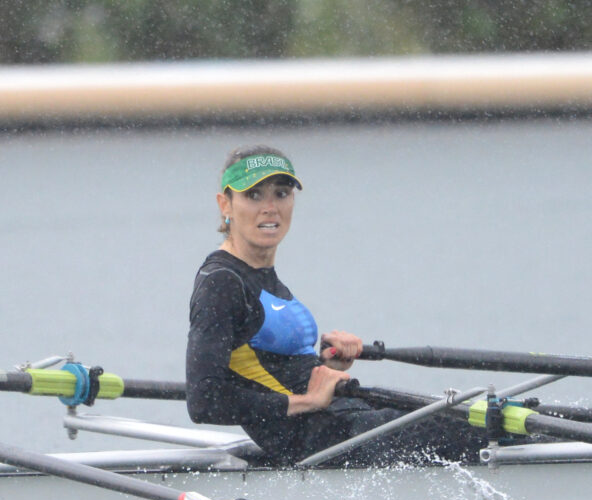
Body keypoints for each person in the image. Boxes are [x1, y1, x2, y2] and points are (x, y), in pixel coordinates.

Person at [185, 145, 486, 466]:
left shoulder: (262, 276)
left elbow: (271, 370)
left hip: (342, 422)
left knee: (498, 415)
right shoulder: (221, 282)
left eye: (282, 193)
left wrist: (327, 365)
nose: (270, 207)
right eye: (254, 195)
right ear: (225, 205)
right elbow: (204, 402)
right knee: (482, 427)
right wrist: (306, 401)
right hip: (319, 440)